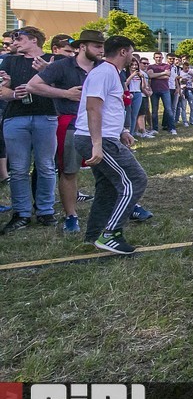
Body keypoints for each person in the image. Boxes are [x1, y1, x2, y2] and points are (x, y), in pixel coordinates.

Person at [25, 30, 106, 233]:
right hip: (71, 125)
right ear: (82, 47)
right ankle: (71, 216)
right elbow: (32, 86)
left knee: (110, 170)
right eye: (97, 46)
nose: (101, 51)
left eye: (102, 47)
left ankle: (122, 207)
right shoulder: (62, 66)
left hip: (102, 126)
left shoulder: (104, 68)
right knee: (69, 171)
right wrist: (65, 94)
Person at [73, 36, 148, 254]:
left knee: (107, 187)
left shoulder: (111, 73)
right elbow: (93, 108)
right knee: (135, 180)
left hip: (105, 137)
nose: (133, 56)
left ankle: (94, 235)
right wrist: (97, 144)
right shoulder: (104, 72)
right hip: (98, 139)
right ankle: (111, 233)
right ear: (123, 52)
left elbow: (110, 108)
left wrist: (122, 131)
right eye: (132, 52)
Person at [0, 27, 58, 233]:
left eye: (20, 38)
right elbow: (2, 91)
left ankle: (45, 210)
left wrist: (46, 73)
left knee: (46, 166)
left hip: (46, 116)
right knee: (18, 169)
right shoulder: (10, 61)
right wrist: (14, 93)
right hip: (15, 117)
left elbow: (61, 89)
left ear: (34, 40)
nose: (15, 41)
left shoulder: (53, 60)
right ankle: (21, 213)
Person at [147, 51, 175, 134]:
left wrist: (156, 75)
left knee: (169, 109)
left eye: (160, 57)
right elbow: (150, 76)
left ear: (162, 58)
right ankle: (155, 129)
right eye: (157, 57)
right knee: (154, 111)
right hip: (154, 90)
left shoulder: (167, 66)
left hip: (165, 89)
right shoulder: (150, 66)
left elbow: (167, 76)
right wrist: (163, 73)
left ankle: (172, 128)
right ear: (154, 58)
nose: (158, 59)